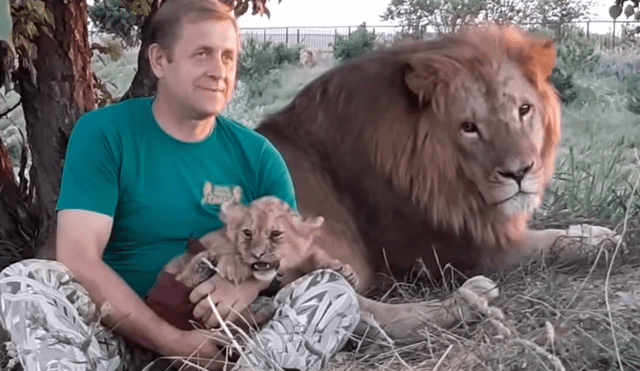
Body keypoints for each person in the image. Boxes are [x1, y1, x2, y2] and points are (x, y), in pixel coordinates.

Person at [0, 1, 360, 370]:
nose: (219, 71)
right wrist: (170, 340)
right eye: (202, 54)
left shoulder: (258, 156)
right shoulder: (104, 134)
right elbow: (79, 257)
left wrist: (248, 286)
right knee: (24, 282)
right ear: (159, 61)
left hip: (232, 342)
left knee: (334, 294)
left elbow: (292, 252)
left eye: (228, 57)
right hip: (119, 336)